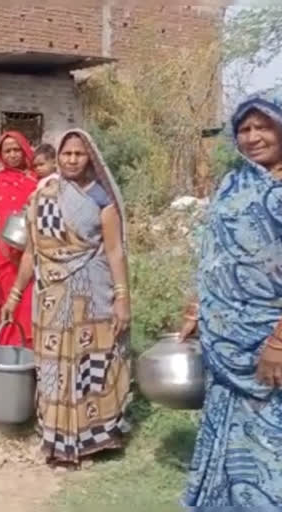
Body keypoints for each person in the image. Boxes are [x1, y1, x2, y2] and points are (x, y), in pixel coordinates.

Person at [3, 129, 132, 468]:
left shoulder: (101, 199)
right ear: (58, 157)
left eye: (79, 154)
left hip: (94, 296)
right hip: (53, 299)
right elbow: (32, 252)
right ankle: (58, 440)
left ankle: (95, 439)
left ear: (90, 157)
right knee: (53, 366)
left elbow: (115, 251)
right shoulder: (43, 196)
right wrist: (15, 294)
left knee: (94, 364)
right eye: (67, 154)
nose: (73, 159)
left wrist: (122, 298)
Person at [178, 93, 282, 507]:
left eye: (264, 126)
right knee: (228, 435)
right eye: (244, 128)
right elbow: (216, 251)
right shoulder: (233, 182)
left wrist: (277, 343)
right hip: (226, 339)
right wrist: (200, 306)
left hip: (269, 339)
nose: (253, 136)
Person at [0, 131, 38, 347]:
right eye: (8, 151)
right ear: (1, 155)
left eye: (17, 150)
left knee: (28, 306)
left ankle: (31, 355)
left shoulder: (36, 180)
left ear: (25, 151)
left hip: (31, 258)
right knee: (6, 306)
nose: (13, 155)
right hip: (3, 258)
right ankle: (9, 352)